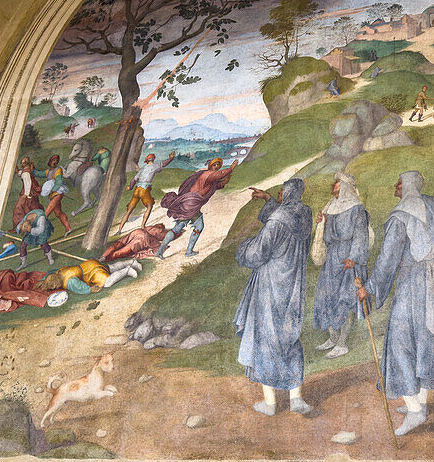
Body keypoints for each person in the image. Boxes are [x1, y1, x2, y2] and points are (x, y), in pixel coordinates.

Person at [357, 171, 434, 436]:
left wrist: (370, 288)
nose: (395, 186)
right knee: (425, 340)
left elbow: (388, 259)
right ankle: (418, 402)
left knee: (401, 342)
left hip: (417, 282)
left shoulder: (401, 215)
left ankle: (415, 410)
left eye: (398, 183)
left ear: (406, 186)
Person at [234, 178, 314, 416]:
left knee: (266, 338)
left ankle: (270, 404)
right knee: (290, 336)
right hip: (294, 284)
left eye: (281, 192)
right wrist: (268, 199)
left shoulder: (277, 222)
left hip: (271, 285)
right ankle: (296, 398)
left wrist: (242, 249)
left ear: (287, 193)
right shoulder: (304, 215)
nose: (278, 194)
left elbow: (257, 253)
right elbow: (285, 216)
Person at [313, 171, 370, 359]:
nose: (333, 185)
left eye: (336, 183)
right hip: (332, 258)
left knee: (345, 299)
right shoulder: (331, 207)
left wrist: (354, 256)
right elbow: (327, 237)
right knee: (326, 296)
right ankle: (333, 337)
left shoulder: (357, 208)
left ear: (345, 186)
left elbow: (361, 235)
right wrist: (322, 224)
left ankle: (343, 342)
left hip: (348, 259)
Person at [155, 157, 237, 257]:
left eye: (218, 165)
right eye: (214, 165)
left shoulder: (211, 179)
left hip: (190, 204)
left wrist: (228, 178)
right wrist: (231, 168)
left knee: (183, 227)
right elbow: (219, 175)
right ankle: (184, 251)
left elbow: (219, 184)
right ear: (210, 166)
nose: (216, 167)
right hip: (191, 204)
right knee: (187, 227)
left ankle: (163, 251)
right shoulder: (207, 174)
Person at [121, 151, 176, 229]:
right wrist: (171, 158)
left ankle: (119, 230)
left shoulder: (143, 168)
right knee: (149, 207)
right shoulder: (154, 166)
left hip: (137, 189)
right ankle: (143, 226)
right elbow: (164, 163)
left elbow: (133, 180)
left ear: (146, 161)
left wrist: (130, 187)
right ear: (153, 160)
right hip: (144, 190)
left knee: (129, 210)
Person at [39, 258, 141, 294]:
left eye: (53, 286)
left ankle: (127, 270)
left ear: (56, 282)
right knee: (111, 267)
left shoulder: (69, 282)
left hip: (91, 272)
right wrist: (44, 280)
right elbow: (49, 273)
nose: (55, 288)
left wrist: (90, 290)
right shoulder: (59, 272)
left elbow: (80, 287)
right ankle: (132, 262)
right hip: (89, 264)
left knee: (107, 282)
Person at [37, 154, 72, 235]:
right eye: (53, 160)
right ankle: (68, 228)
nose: (55, 162)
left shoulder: (58, 170)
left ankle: (38, 232)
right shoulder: (48, 171)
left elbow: (59, 181)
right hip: (52, 195)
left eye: (56, 160)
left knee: (47, 212)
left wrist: (52, 190)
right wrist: (32, 170)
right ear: (50, 162)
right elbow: (39, 173)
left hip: (57, 193)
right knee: (58, 213)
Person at [102, 223, 169, 261]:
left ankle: (102, 257)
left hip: (136, 232)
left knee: (117, 245)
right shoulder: (159, 231)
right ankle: (106, 258)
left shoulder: (149, 227)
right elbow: (171, 235)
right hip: (143, 237)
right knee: (125, 250)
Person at [13, 156, 43, 225]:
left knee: (21, 208)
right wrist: (18, 172)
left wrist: (27, 195)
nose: (21, 164)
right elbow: (22, 174)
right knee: (34, 206)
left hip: (29, 192)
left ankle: (21, 223)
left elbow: (28, 183)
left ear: (25, 164)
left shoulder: (26, 173)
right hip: (32, 191)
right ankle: (37, 220)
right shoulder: (28, 170)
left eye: (23, 163)